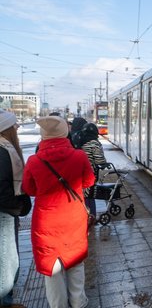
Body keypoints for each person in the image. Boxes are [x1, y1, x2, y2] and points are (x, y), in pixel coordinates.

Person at [22, 116, 95, 308]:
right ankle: (79, 301)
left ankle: (58, 305)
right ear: (65, 132)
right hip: (74, 218)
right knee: (75, 261)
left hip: (46, 222)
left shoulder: (34, 160)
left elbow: (29, 189)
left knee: (52, 268)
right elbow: (89, 182)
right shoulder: (79, 156)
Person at [0, 110, 26, 308]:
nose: (17, 128)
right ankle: (5, 301)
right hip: (5, 213)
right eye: (14, 125)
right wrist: (19, 206)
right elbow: (2, 189)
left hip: (7, 211)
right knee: (6, 262)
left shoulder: (4, 149)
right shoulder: (3, 151)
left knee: (8, 260)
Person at [76, 123, 107, 224]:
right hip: (90, 173)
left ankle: (82, 216)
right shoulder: (94, 143)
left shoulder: (79, 140)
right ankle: (91, 216)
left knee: (82, 196)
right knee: (90, 195)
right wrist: (104, 164)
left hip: (78, 173)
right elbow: (99, 161)